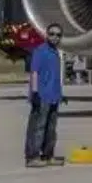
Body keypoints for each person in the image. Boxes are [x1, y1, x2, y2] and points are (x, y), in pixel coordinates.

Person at [25, 24, 66, 167]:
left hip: (54, 95)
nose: (55, 37)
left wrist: (61, 94)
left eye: (58, 35)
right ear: (47, 35)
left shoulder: (56, 53)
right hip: (42, 96)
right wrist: (35, 92)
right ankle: (32, 157)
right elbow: (34, 72)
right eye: (52, 34)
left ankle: (48, 155)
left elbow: (55, 76)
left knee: (51, 128)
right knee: (38, 127)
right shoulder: (40, 51)